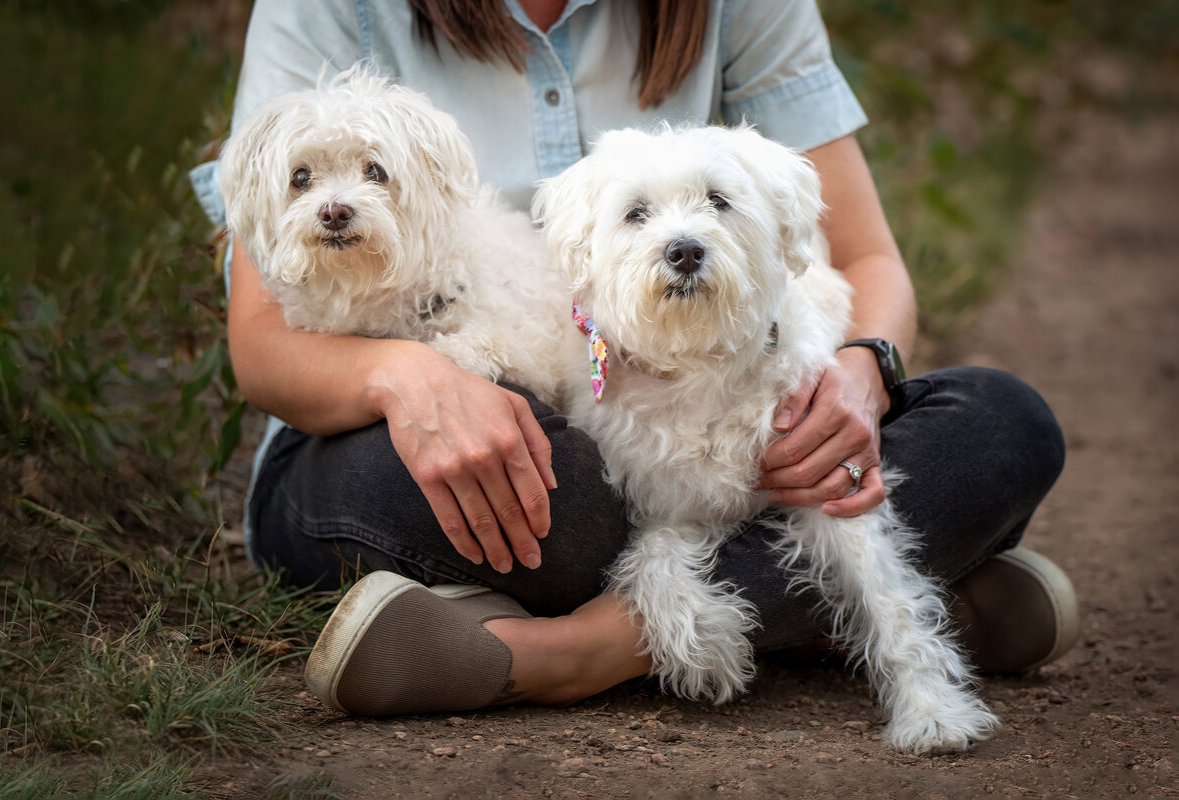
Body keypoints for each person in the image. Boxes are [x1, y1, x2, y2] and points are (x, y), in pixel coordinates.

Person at [189, 0, 1078, 714]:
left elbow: (866, 259)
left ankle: (573, 650)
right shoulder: (321, 10)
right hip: (385, 437)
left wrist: (863, 371)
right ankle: (854, 603)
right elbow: (263, 346)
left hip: (692, 420)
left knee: (1002, 423)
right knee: (561, 495)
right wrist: (401, 373)